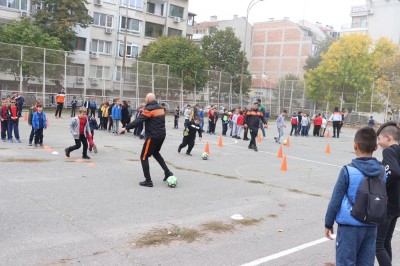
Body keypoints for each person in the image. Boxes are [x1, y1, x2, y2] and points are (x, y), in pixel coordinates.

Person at [325, 127, 385, 266]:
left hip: (349, 226)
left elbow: (336, 199)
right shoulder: (382, 171)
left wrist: (328, 223)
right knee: (366, 262)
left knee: (346, 261)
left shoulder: (347, 170)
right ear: (375, 147)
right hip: (371, 225)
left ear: (355, 146)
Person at [120, 93, 174, 187]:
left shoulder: (149, 109)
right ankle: (168, 172)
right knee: (156, 153)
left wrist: (126, 127)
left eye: (145, 99)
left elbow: (138, 120)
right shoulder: (160, 108)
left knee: (144, 157)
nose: (144, 100)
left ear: (148, 100)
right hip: (161, 135)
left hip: (153, 136)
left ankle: (148, 181)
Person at [375, 122, 400, 266]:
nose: (378, 143)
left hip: (389, 204)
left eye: (379, 138)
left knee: (377, 245)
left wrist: (381, 186)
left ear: (388, 138)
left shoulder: (389, 151)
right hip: (397, 204)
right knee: (385, 242)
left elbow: (394, 172)